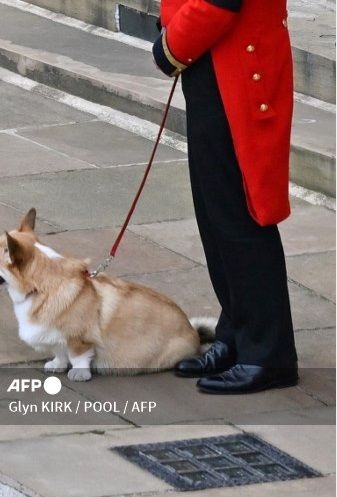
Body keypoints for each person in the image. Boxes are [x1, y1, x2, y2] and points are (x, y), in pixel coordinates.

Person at [152, 0, 298, 394]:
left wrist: (171, 45)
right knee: (214, 215)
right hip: (211, 61)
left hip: (237, 66)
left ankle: (269, 355)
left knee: (241, 217)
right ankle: (236, 334)